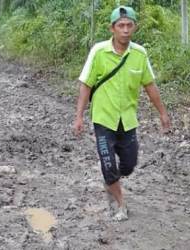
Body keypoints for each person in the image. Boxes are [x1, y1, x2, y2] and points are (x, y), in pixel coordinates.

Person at [73, 6, 171, 221]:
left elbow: (150, 85)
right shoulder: (99, 52)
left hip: (127, 120)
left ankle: (112, 181)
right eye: (121, 26)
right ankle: (120, 205)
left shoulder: (139, 54)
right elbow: (86, 85)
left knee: (128, 165)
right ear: (112, 28)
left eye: (129, 25)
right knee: (108, 164)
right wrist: (79, 116)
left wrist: (163, 114)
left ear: (134, 27)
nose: (125, 30)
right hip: (103, 118)